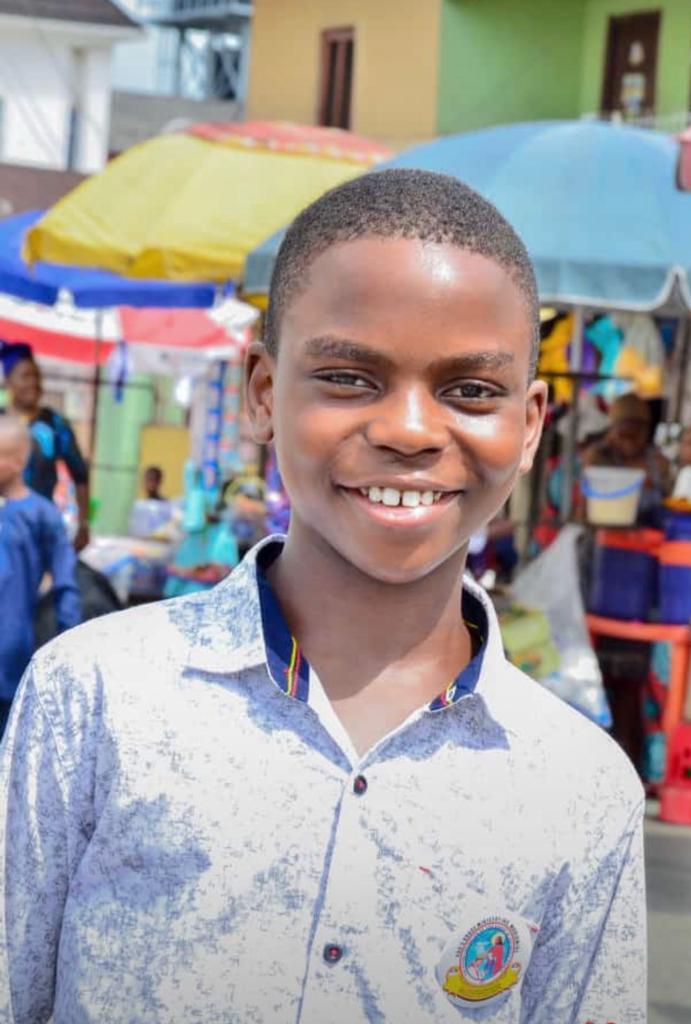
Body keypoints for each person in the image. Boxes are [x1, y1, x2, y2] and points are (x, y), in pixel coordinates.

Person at [0, 171, 645, 1023]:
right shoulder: (94, 698)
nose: (409, 431)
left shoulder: (579, 787)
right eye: (348, 377)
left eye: (470, 390)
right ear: (263, 394)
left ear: (528, 426)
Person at [0, 416, 81, 737]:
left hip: (9, 649)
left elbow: (65, 581)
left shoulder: (41, 515)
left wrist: (70, 641)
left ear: (20, 460)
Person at [0, 341, 91, 550]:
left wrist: (83, 525)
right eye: (25, 376)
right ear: (8, 381)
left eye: (36, 375)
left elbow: (80, 475)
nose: (33, 382)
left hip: (39, 531)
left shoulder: (54, 425)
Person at [582, 390, 671, 525]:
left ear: (646, 432)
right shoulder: (597, 457)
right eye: (623, 435)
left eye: (635, 435)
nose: (629, 443)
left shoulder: (658, 462)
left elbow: (669, 502)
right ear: (611, 432)